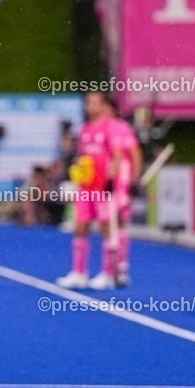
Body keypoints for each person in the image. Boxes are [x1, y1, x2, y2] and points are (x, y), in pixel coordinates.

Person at [57, 92, 123, 290]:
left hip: (102, 188)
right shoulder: (85, 129)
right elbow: (83, 157)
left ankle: (108, 273)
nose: (91, 106)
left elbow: (118, 156)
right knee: (80, 227)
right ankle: (79, 272)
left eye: (96, 103)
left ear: (103, 106)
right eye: (89, 103)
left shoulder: (110, 128)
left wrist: (111, 179)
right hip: (86, 188)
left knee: (106, 228)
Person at [101, 99, 142, 286]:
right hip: (104, 179)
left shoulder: (119, 127)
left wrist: (134, 179)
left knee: (117, 221)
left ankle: (120, 268)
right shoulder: (98, 127)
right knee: (108, 223)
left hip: (119, 180)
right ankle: (111, 269)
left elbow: (134, 153)